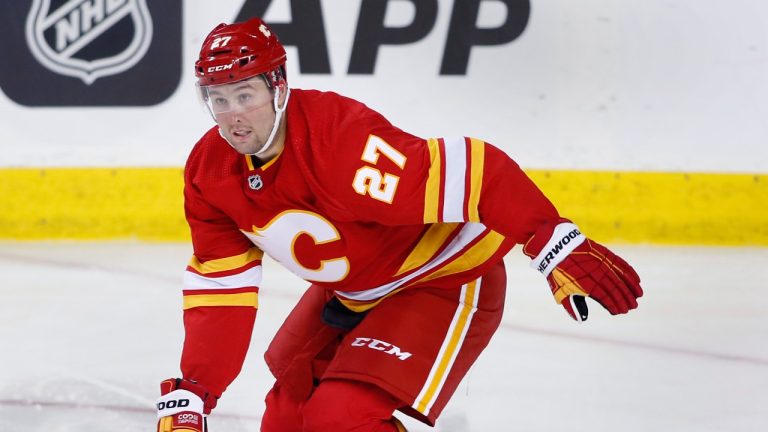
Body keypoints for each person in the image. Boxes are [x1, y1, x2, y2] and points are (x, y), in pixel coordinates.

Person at [155, 17, 643, 432]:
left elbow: (477, 171)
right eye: (218, 99)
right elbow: (222, 289)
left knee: (339, 417)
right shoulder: (209, 172)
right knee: (287, 416)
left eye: (245, 95)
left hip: (444, 277)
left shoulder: (337, 142)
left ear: (278, 87)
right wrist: (197, 387)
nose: (233, 117)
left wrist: (550, 238)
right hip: (356, 289)